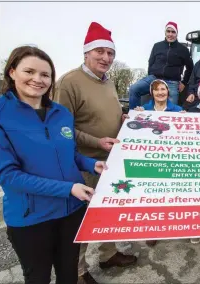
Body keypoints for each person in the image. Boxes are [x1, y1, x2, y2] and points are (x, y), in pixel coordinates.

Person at [0, 45, 107, 284]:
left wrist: (92, 164)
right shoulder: (1, 114)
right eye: (29, 71)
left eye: (45, 74)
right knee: (38, 277)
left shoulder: (61, 113)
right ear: (12, 72)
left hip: (71, 210)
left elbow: (71, 154)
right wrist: (67, 188)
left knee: (68, 274)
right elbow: (8, 176)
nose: (37, 79)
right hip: (32, 218)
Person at [53, 22, 137, 284]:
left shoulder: (108, 81)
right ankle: (76, 271)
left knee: (107, 212)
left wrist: (123, 119)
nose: (106, 58)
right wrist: (96, 141)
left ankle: (108, 254)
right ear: (86, 52)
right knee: (81, 219)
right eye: (100, 51)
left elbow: (105, 114)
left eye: (110, 53)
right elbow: (61, 128)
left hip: (109, 160)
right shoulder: (69, 83)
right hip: (83, 163)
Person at [128, 22, 193, 108]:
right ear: (165, 32)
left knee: (171, 108)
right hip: (154, 78)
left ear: (176, 33)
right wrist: (151, 76)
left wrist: (184, 82)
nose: (170, 34)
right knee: (134, 89)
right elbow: (151, 62)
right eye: (168, 31)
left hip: (172, 82)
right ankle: (133, 115)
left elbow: (190, 67)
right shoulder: (157, 46)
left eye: (173, 32)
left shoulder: (183, 50)